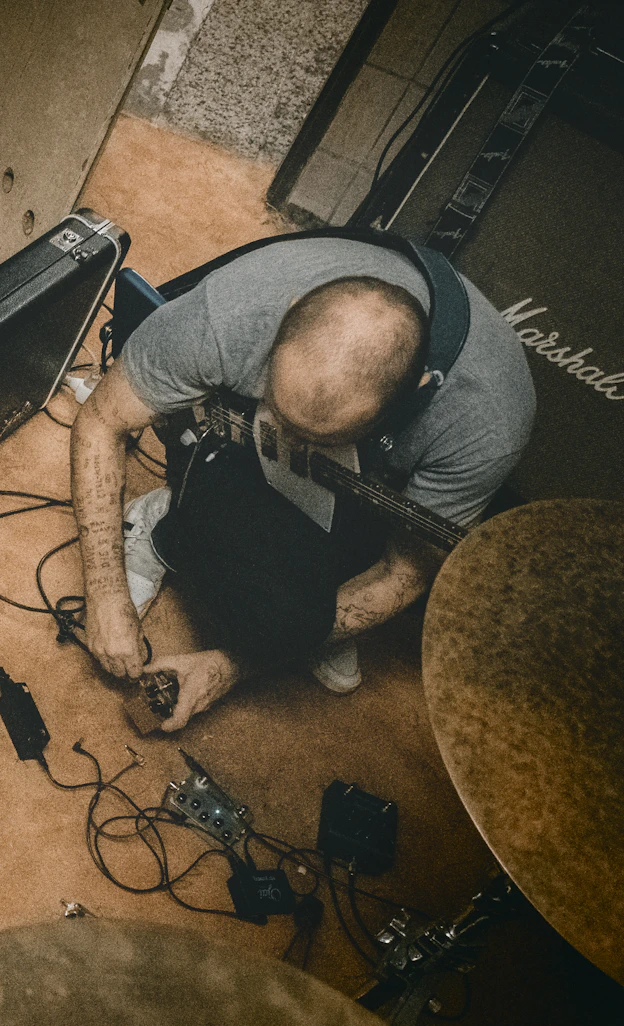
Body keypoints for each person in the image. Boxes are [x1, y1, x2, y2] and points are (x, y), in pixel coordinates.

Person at [70, 238, 534, 730]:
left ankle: (315, 603)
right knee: (252, 565)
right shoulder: (235, 312)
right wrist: (105, 593)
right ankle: (168, 520)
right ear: (290, 309)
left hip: (369, 497)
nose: (287, 442)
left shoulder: (485, 423)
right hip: (232, 445)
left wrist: (233, 665)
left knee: (291, 622)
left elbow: (403, 572)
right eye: (281, 408)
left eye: (316, 436)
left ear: (413, 393)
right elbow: (102, 420)